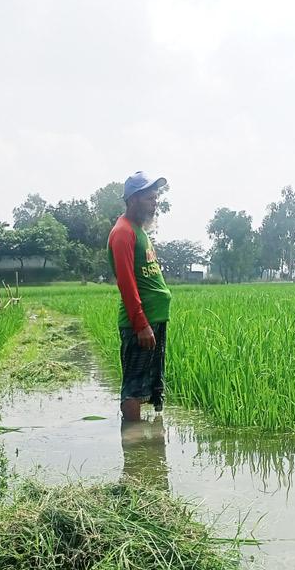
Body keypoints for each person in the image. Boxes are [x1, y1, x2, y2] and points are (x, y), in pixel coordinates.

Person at [107, 171, 172, 421]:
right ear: (133, 199)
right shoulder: (123, 232)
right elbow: (126, 281)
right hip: (140, 323)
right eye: (149, 198)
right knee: (134, 386)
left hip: (153, 319)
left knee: (150, 384)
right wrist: (141, 323)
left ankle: (151, 449)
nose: (155, 202)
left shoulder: (138, 229)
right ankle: (134, 449)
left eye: (156, 198)